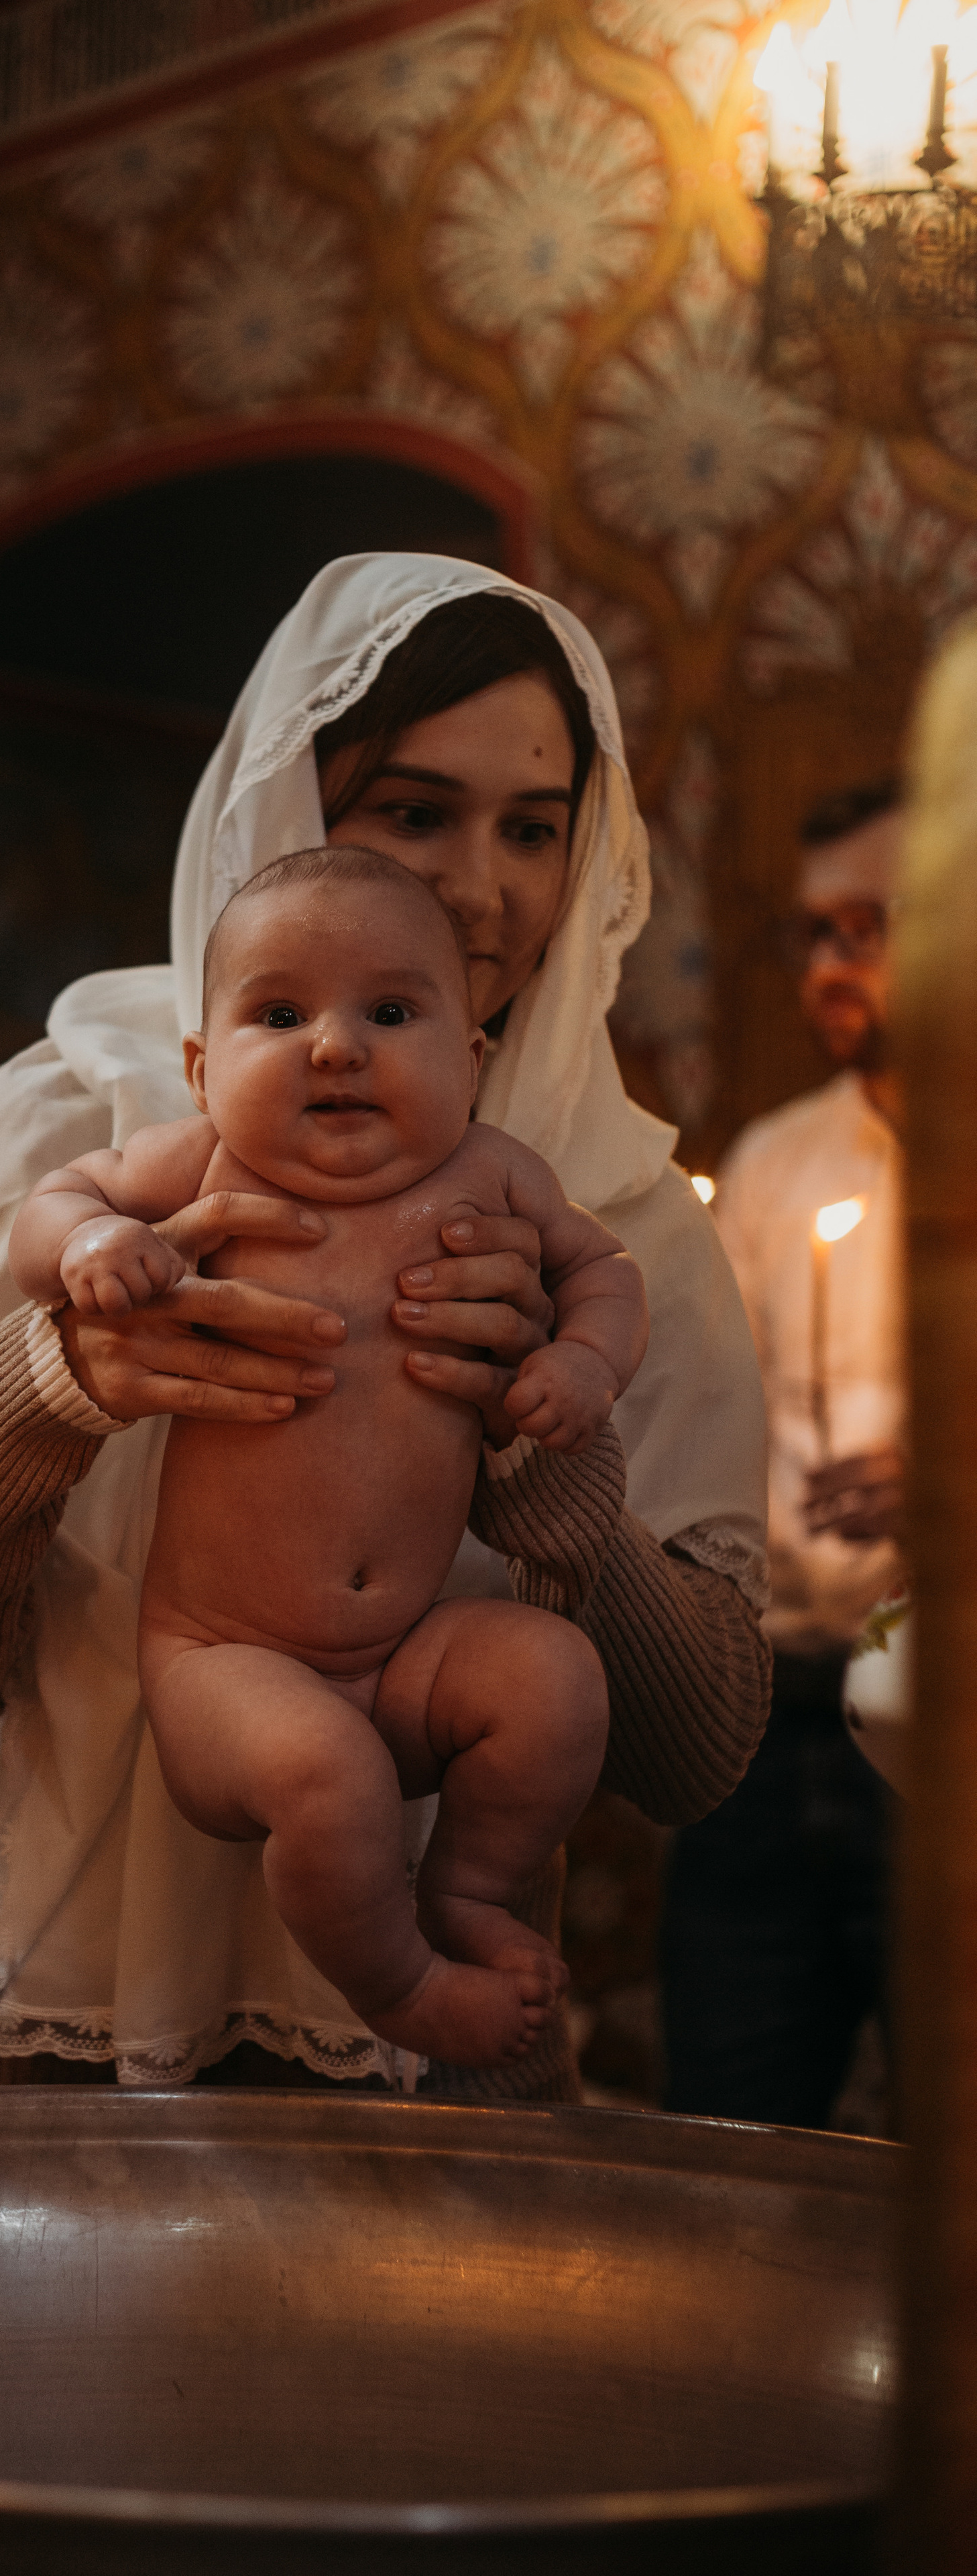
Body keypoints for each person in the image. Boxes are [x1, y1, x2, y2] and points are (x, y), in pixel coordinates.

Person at [0, 555, 770, 2102]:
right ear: (282, 819)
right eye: (411, 814)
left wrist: (547, 1463)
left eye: (531, 829)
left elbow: (690, 1760)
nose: (479, 888)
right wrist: (55, 1385)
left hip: (439, 2074)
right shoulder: (75, 1125)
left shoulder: (611, 1204)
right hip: (51, 2048)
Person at [9, 846, 646, 2066]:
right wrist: (91, 1242)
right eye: (280, 1013)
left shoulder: (499, 1177)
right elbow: (56, 1200)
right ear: (202, 1071)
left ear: (471, 1058)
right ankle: (402, 1988)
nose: (336, 1047)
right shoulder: (200, 1165)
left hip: (408, 1654)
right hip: (224, 1663)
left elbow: (604, 1271)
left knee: (551, 1676)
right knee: (328, 1773)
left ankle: (463, 1893)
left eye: (391, 1012)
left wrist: (583, 1366)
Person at [660, 780, 903, 2127]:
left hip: (951, 1725)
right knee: (731, 2118)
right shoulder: (773, 1162)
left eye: (866, 927)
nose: (826, 967)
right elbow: (706, 1428)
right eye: (808, 934)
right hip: (767, 1723)